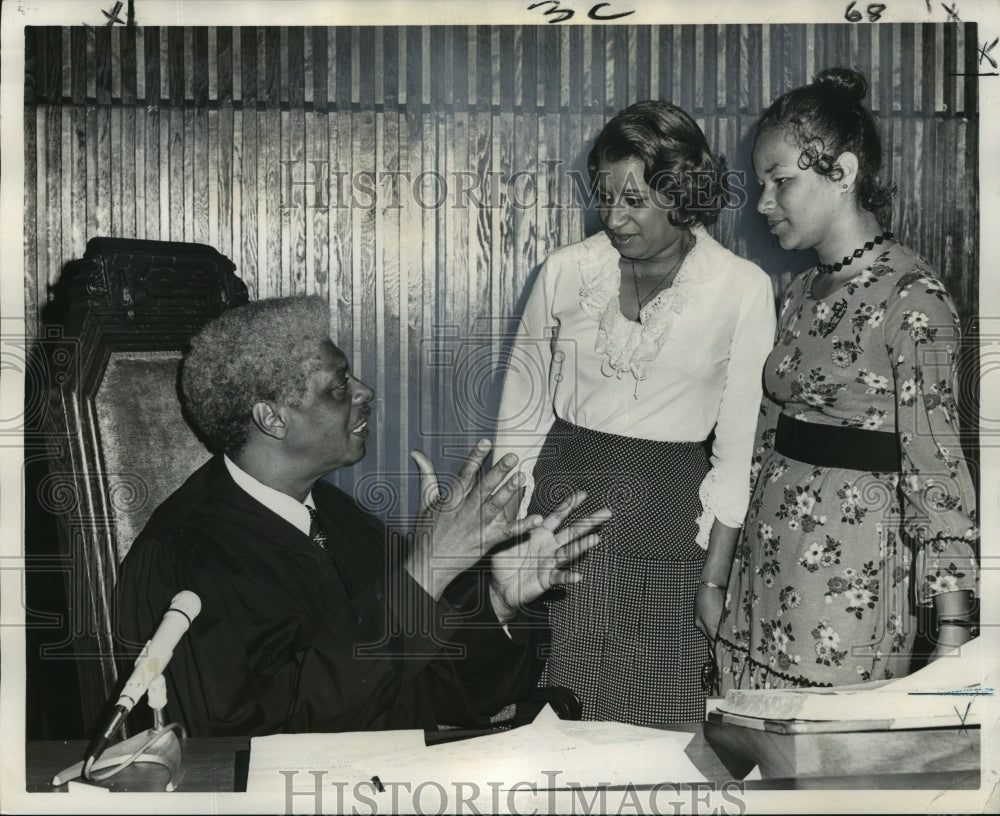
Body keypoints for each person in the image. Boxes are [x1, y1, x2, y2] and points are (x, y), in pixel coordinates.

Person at [116, 296, 611, 737]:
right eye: (338, 387)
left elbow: (434, 690)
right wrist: (426, 570)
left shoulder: (336, 515)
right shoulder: (185, 553)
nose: (365, 391)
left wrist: (498, 605)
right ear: (272, 418)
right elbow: (266, 734)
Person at [493, 101, 776, 724]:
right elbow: (520, 415)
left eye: (634, 199)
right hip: (559, 523)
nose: (614, 217)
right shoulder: (565, 271)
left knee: (657, 730)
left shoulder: (742, 288)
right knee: (545, 728)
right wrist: (505, 541)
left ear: (686, 195)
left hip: (669, 530)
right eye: (604, 195)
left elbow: (736, 456)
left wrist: (713, 578)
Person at [714, 67, 979, 691]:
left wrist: (952, 635)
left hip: (844, 594)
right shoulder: (800, 290)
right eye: (760, 184)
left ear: (843, 174)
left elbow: (937, 472)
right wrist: (719, 576)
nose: (763, 203)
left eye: (781, 182)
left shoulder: (914, 299)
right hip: (761, 572)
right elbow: (762, 442)